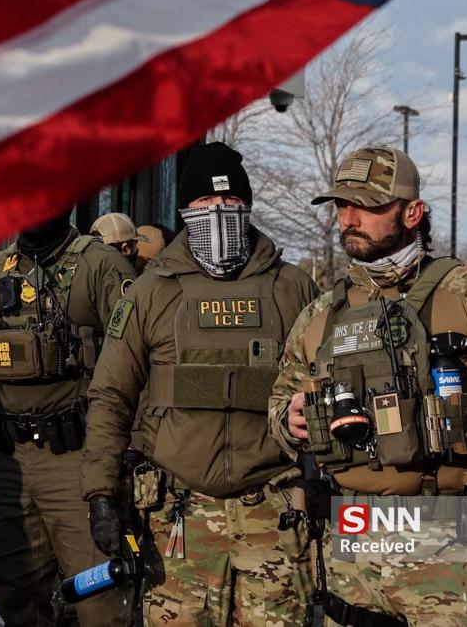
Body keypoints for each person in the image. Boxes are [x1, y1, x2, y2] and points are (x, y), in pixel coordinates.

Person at [269, 145, 467, 625]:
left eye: (367, 206)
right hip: (352, 554)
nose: (349, 218)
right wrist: (290, 418)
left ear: (412, 212)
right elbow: (281, 402)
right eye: (342, 206)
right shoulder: (320, 316)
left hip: (455, 552)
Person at [83, 142, 318, 626]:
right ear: (186, 209)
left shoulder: (292, 288)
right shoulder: (151, 291)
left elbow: (322, 389)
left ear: (247, 205)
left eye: (230, 201)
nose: (218, 212)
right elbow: (111, 395)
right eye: (205, 202)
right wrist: (100, 492)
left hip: (272, 512)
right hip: (180, 518)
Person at [0, 212, 136, 627]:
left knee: (97, 597)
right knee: (15, 594)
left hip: (79, 456)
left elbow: (136, 362)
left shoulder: (101, 265)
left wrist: (126, 456)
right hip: (9, 460)